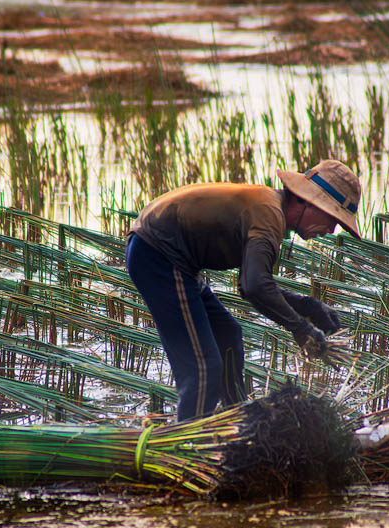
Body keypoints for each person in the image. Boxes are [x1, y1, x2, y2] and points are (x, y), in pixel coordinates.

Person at [125, 159, 361, 421]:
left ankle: (237, 424)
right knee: (204, 369)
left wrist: (309, 307)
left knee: (228, 334)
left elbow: (254, 284)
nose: (330, 230)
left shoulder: (270, 210)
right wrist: (301, 328)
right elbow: (254, 287)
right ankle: (187, 445)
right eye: (332, 219)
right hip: (158, 255)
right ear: (309, 202)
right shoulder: (268, 216)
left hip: (170, 258)